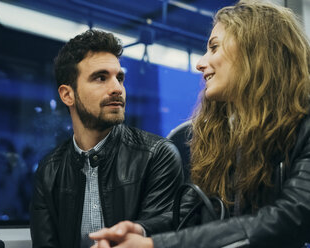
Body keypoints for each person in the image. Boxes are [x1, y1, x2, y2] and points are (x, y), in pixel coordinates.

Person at [89, 1, 310, 247]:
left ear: (256, 50)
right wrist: (141, 231)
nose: (200, 63)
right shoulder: (219, 135)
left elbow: (292, 217)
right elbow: (192, 213)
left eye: (214, 47)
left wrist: (157, 245)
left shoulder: (305, 126)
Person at [29, 29, 183, 248]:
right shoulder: (49, 171)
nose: (117, 88)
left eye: (119, 78)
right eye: (101, 78)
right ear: (67, 95)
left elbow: (154, 240)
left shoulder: (157, 156)